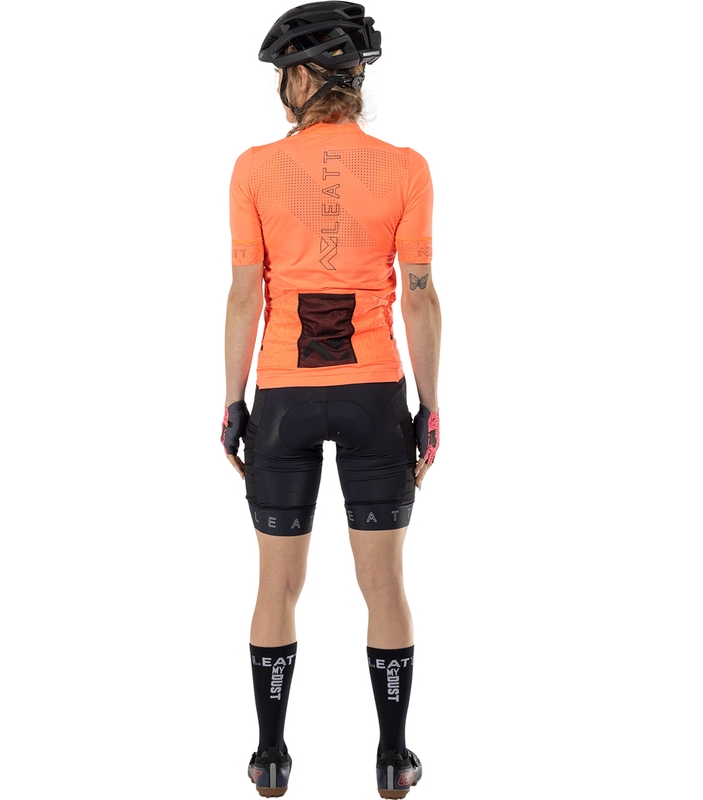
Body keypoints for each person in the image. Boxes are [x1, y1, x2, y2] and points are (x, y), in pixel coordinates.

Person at [221, 3, 441, 797]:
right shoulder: (407, 168)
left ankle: (270, 756)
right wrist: (430, 407)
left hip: (283, 395)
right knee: (384, 586)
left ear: (306, 77)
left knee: (276, 586)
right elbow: (418, 295)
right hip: (374, 395)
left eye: (285, 74)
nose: (281, 88)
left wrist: (232, 403)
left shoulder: (253, 168)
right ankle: (393, 758)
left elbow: (245, 294)